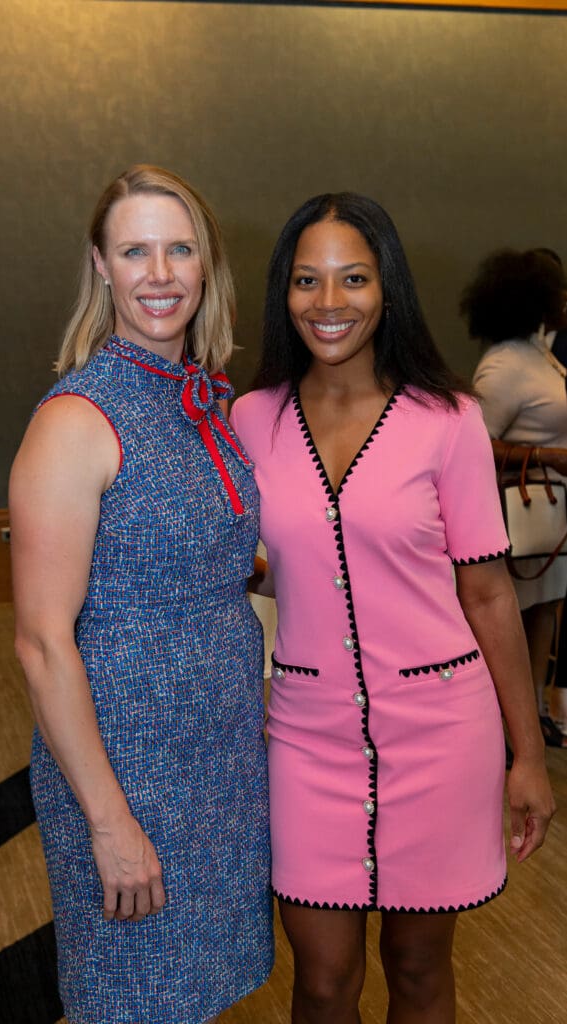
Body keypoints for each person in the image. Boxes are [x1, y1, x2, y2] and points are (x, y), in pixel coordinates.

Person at [229, 193, 555, 1024]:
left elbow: (485, 593)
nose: (328, 301)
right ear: (283, 292)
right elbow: (254, 567)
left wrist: (527, 756)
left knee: (415, 970)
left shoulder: (446, 421)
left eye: (352, 278)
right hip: (306, 737)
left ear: (387, 289)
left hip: (440, 731)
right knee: (324, 979)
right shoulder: (249, 420)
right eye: (307, 280)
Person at [9, 164, 273, 1024]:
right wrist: (110, 822)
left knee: (197, 995)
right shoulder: (75, 419)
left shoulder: (204, 399)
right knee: (132, 999)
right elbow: (42, 642)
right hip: (126, 762)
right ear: (101, 266)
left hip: (220, 754)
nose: (158, 274)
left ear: (207, 265)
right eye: (134, 251)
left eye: (178, 250)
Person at [462, 248, 567, 747]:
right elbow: (474, 445)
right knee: (515, 610)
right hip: (518, 508)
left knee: (545, 606)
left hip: (549, 512)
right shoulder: (504, 364)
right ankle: (506, 723)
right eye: (557, 290)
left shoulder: (538, 352)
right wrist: (546, 458)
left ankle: (535, 715)